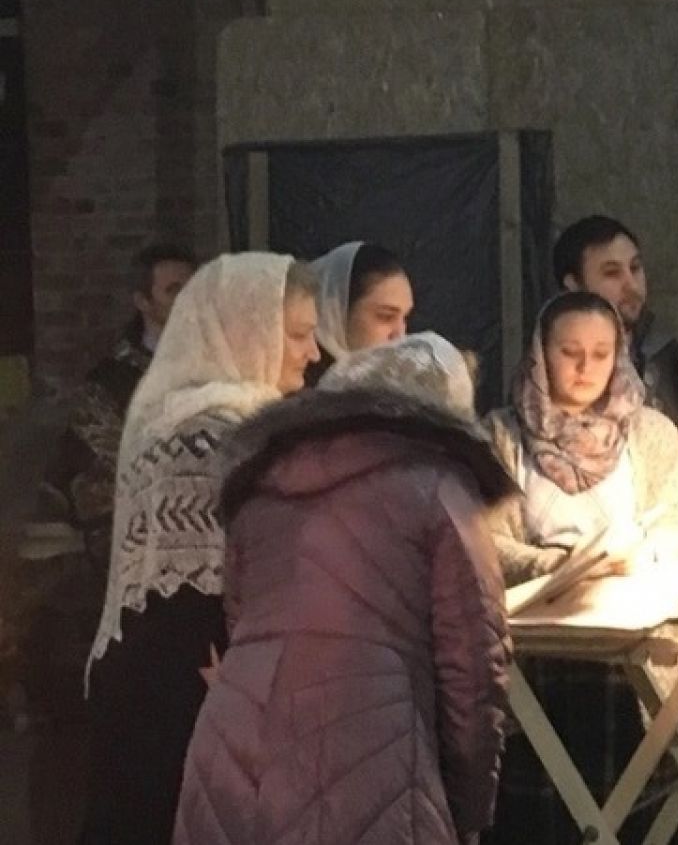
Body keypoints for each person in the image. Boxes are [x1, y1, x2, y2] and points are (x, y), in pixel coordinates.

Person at [173, 333, 513, 845]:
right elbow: (472, 667)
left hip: (234, 744)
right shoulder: (441, 487)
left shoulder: (261, 486)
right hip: (369, 750)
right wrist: (467, 808)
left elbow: (239, 618)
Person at [79, 252, 321, 845]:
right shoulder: (209, 432)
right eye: (297, 334)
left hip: (177, 673)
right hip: (186, 685)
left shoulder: (198, 414)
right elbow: (195, 586)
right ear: (246, 331)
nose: (314, 353)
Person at [482, 291, 678, 844]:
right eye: (569, 352)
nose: (585, 367)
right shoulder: (502, 434)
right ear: (540, 353)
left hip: (626, 632)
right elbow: (487, 541)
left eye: (600, 354)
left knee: (631, 763)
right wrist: (558, 566)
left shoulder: (651, 432)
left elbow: (673, 528)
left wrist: (635, 561)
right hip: (538, 635)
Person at [554, 214, 678, 552]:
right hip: (613, 552)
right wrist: (669, 457)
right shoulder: (554, 368)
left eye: (636, 268)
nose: (631, 284)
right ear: (574, 285)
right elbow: (559, 465)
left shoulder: (668, 348)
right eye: (612, 273)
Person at [42, 243, 196, 577]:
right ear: (143, 302)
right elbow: (94, 481)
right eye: (174, 291)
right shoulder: (110, 385)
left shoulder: (225, 367)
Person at [305, 241, 415, 384]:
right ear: (335, 313)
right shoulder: (295, 386)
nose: (400, 336)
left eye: (405, 318)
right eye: (386, 317)